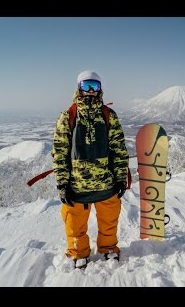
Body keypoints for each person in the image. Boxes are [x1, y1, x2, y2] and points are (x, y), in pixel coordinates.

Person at [51, 70, 129, 268]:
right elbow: (59, 153)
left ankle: (108, 248)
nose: (91, 91)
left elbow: (119, 148)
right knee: (74, 224)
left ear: (101, 89)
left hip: (107, 184)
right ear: (79, 87)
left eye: (95, 86)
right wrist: (63, 183)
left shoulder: (108, 116)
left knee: (109, 221)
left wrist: (121, 178)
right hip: (77, 187)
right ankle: (78, 252)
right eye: (87, 86)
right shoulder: (68, 116)